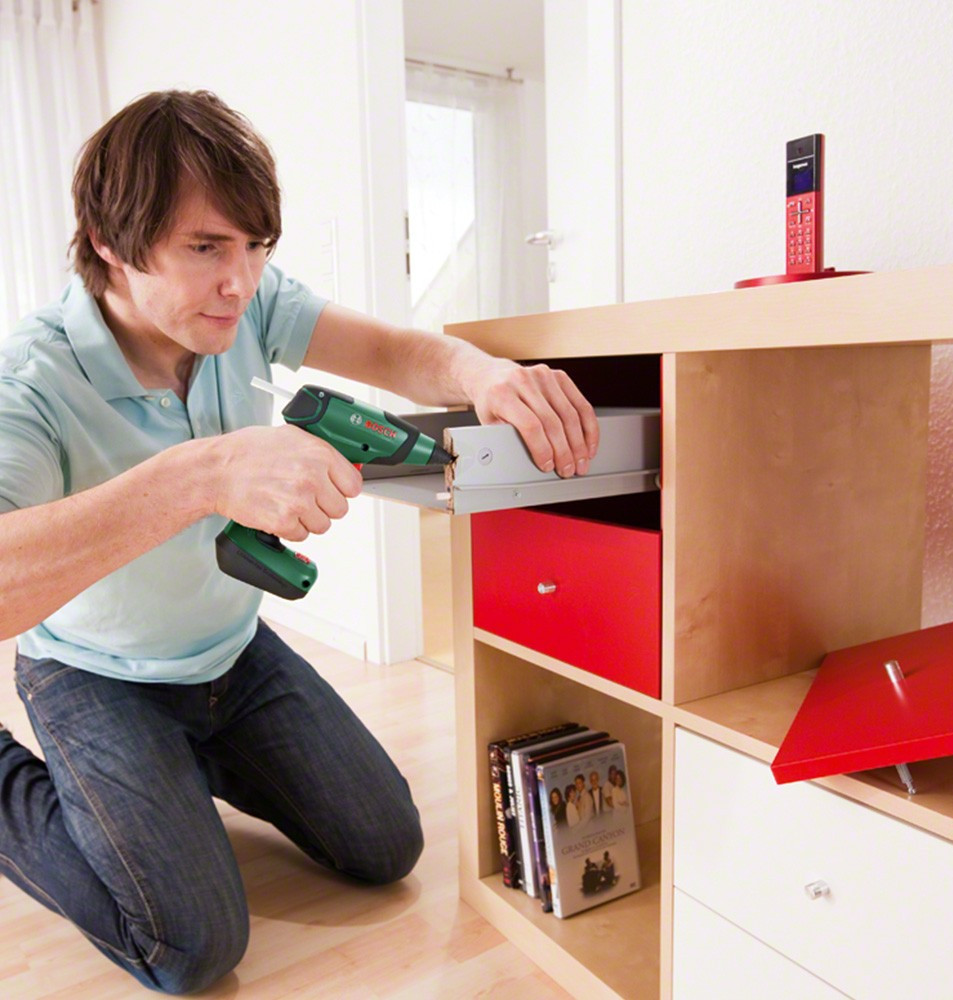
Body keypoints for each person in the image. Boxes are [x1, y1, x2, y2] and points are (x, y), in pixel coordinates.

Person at [0, 90, 599, 994]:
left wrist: (483, 374)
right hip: (96, 672)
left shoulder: (246, 305)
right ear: (109, 244)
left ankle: (179, 771)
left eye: (256, 247)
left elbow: (394, 353)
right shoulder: (31, 378)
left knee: (387, 846)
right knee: (190, 950)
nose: (239, 283)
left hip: (230, 654)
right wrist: (201, 475)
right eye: (206, 248)